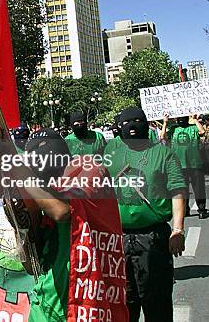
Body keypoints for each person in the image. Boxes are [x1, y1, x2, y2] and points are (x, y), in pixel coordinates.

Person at [20, 128, 127, 322]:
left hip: (83, 299)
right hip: (46, 301)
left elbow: (62, 211)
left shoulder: (88, 169)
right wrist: (23, 218)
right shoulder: (40, 189)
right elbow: (30, 264)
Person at [104, 107, 186, 322]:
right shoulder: (111, 150)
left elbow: (177, 190)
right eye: (127, 123)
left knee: (156, 300)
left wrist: (178, 229)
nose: (132, 127)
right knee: (123, 301)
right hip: (117, 239)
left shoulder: (164, 153)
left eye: (138, 121)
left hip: (153, 238)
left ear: (146, 123)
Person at [161, 114, 207, 219]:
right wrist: (165, 123)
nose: (181, 120)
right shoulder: (173, 129)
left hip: (195, 164)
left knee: (199, 189)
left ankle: (202, 209)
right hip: (179, 165)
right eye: (179, 118)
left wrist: (195, 120)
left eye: (183, 118)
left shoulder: (193, 128)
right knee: (182, 190)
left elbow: (202, 132)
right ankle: (185, 209)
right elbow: (163, 137)